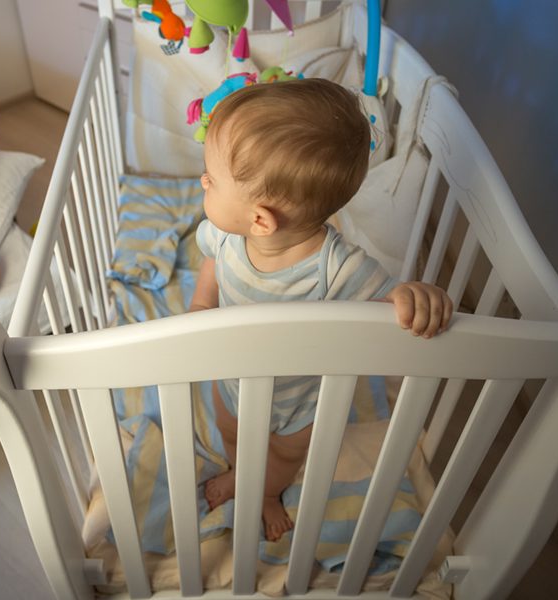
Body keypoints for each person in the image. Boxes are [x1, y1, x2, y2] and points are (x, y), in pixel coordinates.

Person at [188, 78, 453, 542]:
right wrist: (201, 302)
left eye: (211, 179)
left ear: (260, 220)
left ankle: (267, 492)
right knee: (232, 430)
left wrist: (416, 295)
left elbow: (390, 297)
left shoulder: (338, 267)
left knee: (285, 456)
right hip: (231, 381)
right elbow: (210, 260)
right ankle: (238, 470)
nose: (202, 181)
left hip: (298, 404)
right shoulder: (228, 236)